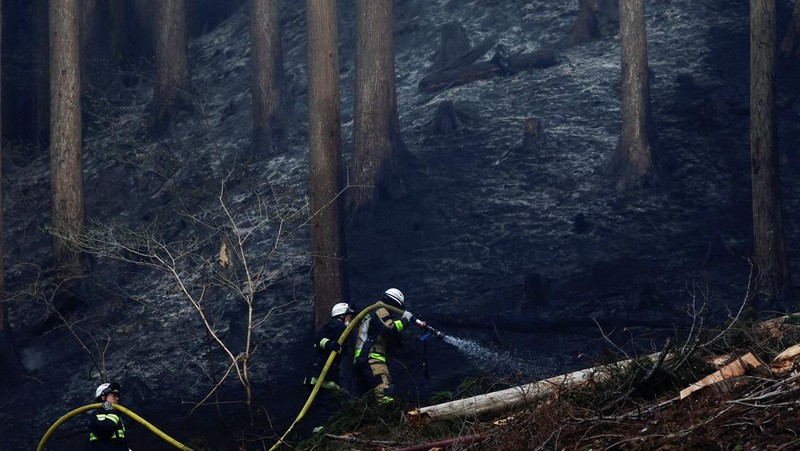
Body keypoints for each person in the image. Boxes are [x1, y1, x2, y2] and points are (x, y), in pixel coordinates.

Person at [353, 288, 425, 403]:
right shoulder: (380, 310)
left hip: (363, 358)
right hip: (372, 358)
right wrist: (405, 320)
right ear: (392, 302)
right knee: (384, 388)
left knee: (367, 398)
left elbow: (384, 335)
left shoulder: (371, 313)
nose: (394, 312)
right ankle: (389, 417)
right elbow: (388, 329)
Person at [300, 302, 355, 436]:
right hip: (320, 375)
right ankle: (321, 433)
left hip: (324, 375)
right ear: (342, 316)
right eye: (349, 316)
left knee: (327, 405)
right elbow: (319, 338)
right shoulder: (336, 325)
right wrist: (330, 344)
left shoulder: (339, 328)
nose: (351, 319)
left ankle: (322, 432)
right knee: (326, 405)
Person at [88, 382, 131, 450]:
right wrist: (112, 412)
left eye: (117, 396)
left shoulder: (117, 417)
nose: (117, 399)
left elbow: (121, 444)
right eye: (114, 396)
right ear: (103, 397)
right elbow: (105, 431)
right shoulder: (96, 415)